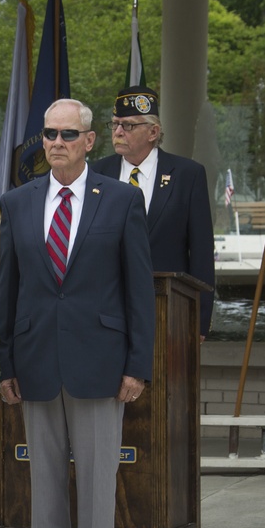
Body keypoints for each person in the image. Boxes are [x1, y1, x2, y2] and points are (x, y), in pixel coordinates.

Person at [0, 99, 155, 528]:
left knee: (95, 486)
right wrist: (5, 362)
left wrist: (138, 365)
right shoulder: (17, 203)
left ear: (90, 141)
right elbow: (9, 291)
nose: (57, 142)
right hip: (36, 361)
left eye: (68, 134)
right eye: (49, 134)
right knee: (43, 486)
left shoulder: (121, 201)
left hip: (101, 365)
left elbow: (138, 291)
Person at [92, 85, 215, 338]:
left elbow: (201, 251)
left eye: (128, 126)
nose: (117, 132)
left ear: (153, 132)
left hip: (168, 310)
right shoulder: (96, 174)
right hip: (105, 312)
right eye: (114, 124)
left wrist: (200, 321)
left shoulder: (187, 175)